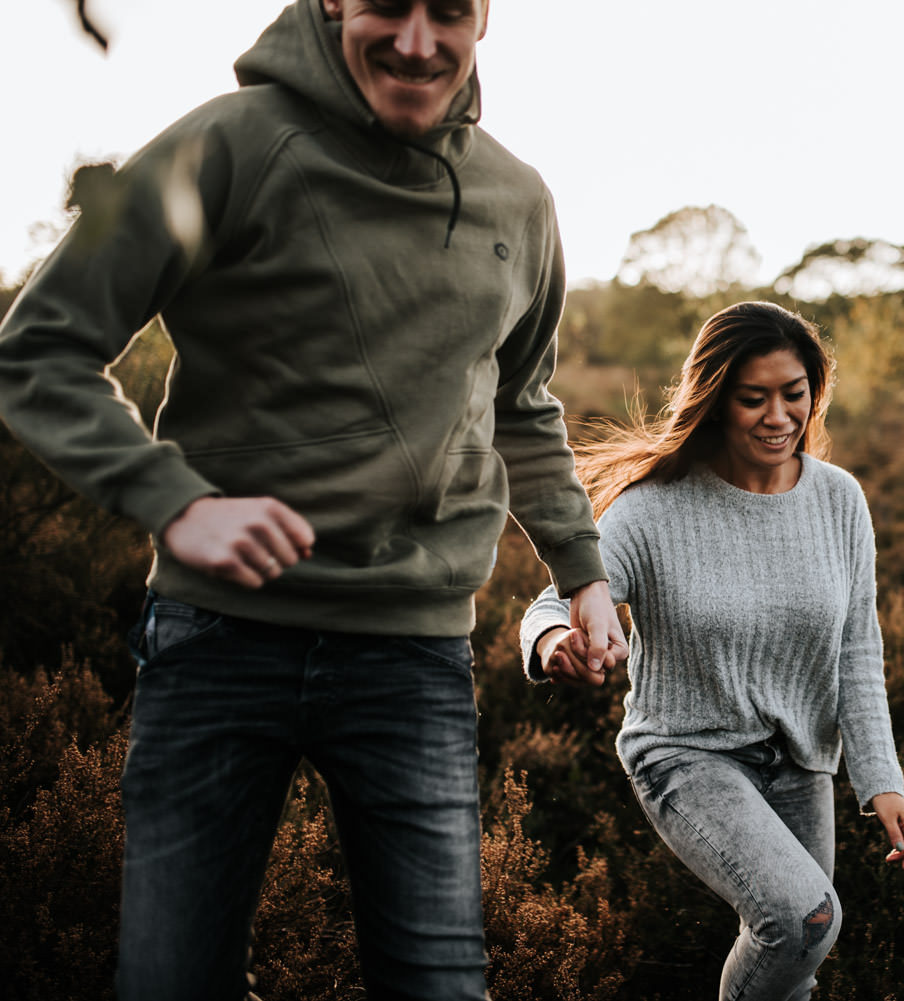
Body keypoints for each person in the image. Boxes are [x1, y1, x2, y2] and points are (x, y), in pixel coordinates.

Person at [0, 1, 627, 998]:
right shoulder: (225, 146)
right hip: (218, 639)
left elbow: (521, 404)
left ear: (485, 17)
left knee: (438, 986)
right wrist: (176, 499)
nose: (417, 40)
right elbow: (39, 348)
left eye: (449, 11)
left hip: (411, 656)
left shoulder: (518, 199)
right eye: (386, 4)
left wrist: (581, 570)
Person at [520, 300, 904, 1001]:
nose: (777, 416)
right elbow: (555, 600)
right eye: (753, 398)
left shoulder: (839, 502)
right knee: (803, 917)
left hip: (801, 762)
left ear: (814, 392)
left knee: (800, 961)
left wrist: (882, 779)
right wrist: (555, 641)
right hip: (687, 753)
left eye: (793, 394)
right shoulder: (654, 508)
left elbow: (857, 649)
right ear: (715, 400)